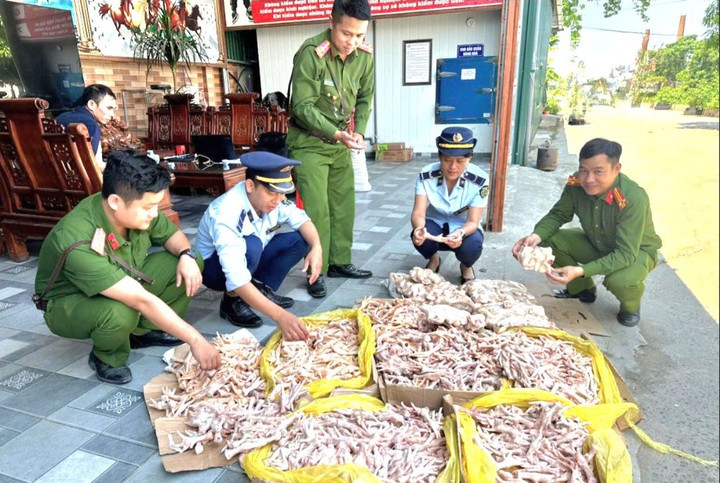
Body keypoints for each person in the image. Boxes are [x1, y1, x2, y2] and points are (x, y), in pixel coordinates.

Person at [34, 151, 221, 384]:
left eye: (156, 205)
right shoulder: (75, 239)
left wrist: (186, 255)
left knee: (190, 262)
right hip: (69, 303)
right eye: (148, 207)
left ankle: (141, 333)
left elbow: (172, 236)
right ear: (115, 201)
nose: (154, 213)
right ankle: (107, 356)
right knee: (121, 310)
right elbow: (139, 300)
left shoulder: (131, 205)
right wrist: (196, 340)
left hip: (122, 278)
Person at [512, 137, 662, 327]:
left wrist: (581, 270)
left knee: (620, 281)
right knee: (548, 239)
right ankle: (583, 290)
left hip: (635, 251)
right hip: (597, 242)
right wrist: (535, 236)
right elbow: (558, 214)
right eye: (584, 170)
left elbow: (625, 254)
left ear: (616, 169)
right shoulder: (576, 184)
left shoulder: (632, 198)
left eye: (598, 171)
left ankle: (630, 306)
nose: (589, 179)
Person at [286, 0, 375, 298]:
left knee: (343, 205)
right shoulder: (312, 53)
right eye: (346, 33)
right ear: (331, 22)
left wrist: (358, 130)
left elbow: (365, 97)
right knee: (317, 210)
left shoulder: (364, 56)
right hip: (309, 142)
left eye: (359, 35)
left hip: (339, 144)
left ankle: (339, 261)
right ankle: (317, 271)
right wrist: (336, 133)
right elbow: (302, 106)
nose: (352, 41)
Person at [195, 151, 323, 341]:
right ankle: (231, 302)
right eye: (271, 193)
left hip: (249, 254)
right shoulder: (227, 212)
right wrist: (280, 316)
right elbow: (236, 275)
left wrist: (317, 247)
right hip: (214, 269)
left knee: (300, 240)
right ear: (250, 185)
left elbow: (302, 219)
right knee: (252, 245)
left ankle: (260, 288)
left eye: (282, 193)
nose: (278, 200)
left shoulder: (275, 200)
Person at [410, 127, 489, 284]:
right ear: (439, 156)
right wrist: (419, 229)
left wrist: (460, 233)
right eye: (447, 160)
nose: (453, 167)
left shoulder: (480, 179)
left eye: (460, 161)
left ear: (469, 158)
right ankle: (434, 259)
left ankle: (466, 266)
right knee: (419, 235)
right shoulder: (426, 175)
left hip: (463, 226)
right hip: (435, 223)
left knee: (473, 245)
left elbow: (473, 221)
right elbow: (418, 213)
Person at [56, 84, 118, 172]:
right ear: (91, 104)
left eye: (114, 109)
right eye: (109, 108)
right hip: (82, 178)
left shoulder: (60, 118)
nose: (112, 115)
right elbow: (95, 166)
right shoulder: (91, 125)